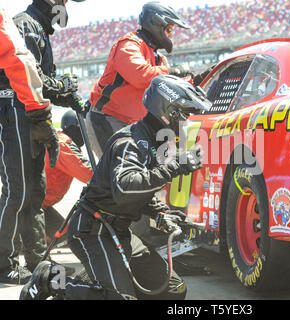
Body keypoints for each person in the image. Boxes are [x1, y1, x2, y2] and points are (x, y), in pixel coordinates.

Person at [20, 74, 211, 300]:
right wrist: (176, 166)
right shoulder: (130, 142)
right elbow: (125, 189)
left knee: (173, 291)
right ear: (168, 111)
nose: (187, 122)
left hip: (120, 233)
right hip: (92, 230)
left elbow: (142, 189)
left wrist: (160, 213)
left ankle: (101, 283)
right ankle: (51, 279)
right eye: (185, 115)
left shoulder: (151, 140)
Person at [0, 0, 84, 284]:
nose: (65, 8)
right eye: (63, 2)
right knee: (18, 191)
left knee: (35, 191)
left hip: (28, 112)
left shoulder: (40, 30)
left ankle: (38, 262)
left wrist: (66, 93)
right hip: (14, 110)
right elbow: (27, 77)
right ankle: (4, 264)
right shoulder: (25, 24)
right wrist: (62, 86)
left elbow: (41, 81)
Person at [85, 1, 191, 159]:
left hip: (133, 123)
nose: (171, 35)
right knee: (118, 174)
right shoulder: (129, 45)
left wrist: (195, 80)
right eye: (169, 30)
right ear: (157, 25)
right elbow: (140, 76)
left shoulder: (159, 59)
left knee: (143, 174)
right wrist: (172, 72)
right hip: (107, 117)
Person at [43, 110, 93, 244]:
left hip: (40, 206)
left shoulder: (61, 141)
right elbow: (88, 173)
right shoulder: (63, 144)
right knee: (35, 242)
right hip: (31, 207)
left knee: (64, 236)